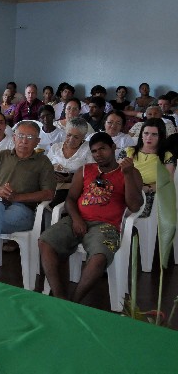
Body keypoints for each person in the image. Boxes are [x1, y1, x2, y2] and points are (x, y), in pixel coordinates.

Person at [39, 133, 143, 303]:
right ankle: (59, 297)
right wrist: (76, 219)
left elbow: (135, 206)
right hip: (77, 219)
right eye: (94, 151)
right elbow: (70, 199)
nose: (98, 154)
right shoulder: (85, 170)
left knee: (99, 257)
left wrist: (128, 175)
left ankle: (75, 302)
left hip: (106, 225)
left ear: (113, 148)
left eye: (103, 149)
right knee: (45, 241)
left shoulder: (130, 172)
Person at [0, 121, 56, 278]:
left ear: (37, 141)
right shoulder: (2, 156)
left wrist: (17, 197)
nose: (24, 141)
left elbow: (48, 193)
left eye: (30, 137)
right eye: (21, 136)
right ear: (14, 138)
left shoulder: (43, 162)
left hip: (23, 210)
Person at [122, 118, 175, 217]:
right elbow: (116, 173)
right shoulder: (128, 151)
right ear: (141, 135)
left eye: (154, 134)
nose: (149, 137)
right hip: (123, 190)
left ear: (161, 137)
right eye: (146, 133)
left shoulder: (166, 156)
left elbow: (167, 182)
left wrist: (149, 188)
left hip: (147, 195)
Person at [47, 117, 93, 207]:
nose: (71, 140)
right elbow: (45, 167)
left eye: (76, 137)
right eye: (69, 135)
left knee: (55, 202)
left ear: (83, 137)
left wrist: (71, 179)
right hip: (51, 183)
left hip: (73, 188)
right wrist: (53, 169)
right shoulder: (56, 147)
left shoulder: (88, 149)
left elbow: (91, 174)